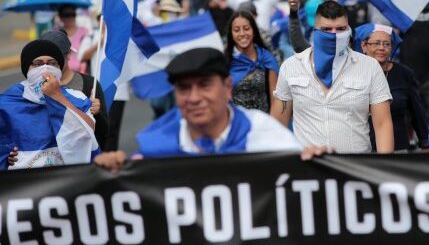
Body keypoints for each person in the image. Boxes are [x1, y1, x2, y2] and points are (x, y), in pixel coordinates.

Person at [94, 48, 302, 171]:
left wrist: (317, 164)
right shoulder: (154, 147)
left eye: (204, 85)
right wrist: (112, 173)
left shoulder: (265, 134)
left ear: (227, 87)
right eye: (184, 88)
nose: (194, 98)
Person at [271, 0, 394, 153]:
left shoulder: (370, 67)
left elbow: (382, 124)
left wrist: (384, 170)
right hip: (307, 169)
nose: (334, 35)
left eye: (341, 29)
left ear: (348, 29)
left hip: (356, 169)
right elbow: (277, 126)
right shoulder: (291, 67)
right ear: (315, 30)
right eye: (326, 29)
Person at [0, 40, 97, 169]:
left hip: (66, 179)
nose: (45, 69)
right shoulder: (8, 102)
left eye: (52, 64)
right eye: (38, 64)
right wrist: (6, 157)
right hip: (26, 184)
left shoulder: (77, 97)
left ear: (59, 68)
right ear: (27, 69)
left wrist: (57, 96)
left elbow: (89, 131)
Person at [355, 23, 429, 151]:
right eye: (376, 43)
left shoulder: (404, 74)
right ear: (364, 46)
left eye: (387, 44)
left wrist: (425, 145)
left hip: (398, 150)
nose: (382, 48)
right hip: (361, 151)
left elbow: (418, 114)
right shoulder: (352, 74)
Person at [40, 30, 110, 150]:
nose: (51, 62)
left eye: (57, 56)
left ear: (68, 54)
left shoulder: (90, 84)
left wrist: (97, 114)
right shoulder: (36, 86)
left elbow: (104, 133)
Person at [226, 11, 279, 113]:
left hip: (264, 122)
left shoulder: (266, 59)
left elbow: (275, 100)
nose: (242, 34)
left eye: (246, 29)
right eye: (236, 30)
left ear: (254, 31)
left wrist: (273, 124)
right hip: (239, 123)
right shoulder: (226, 62)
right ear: (231, 34)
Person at [56, 4, 91, 73]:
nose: (70, 17)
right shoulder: (56, 33)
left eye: (73, 14)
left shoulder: (84, 32)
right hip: (61, 73)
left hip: (81, 73)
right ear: (60, 17)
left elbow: (86, 55)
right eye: (66, 15)